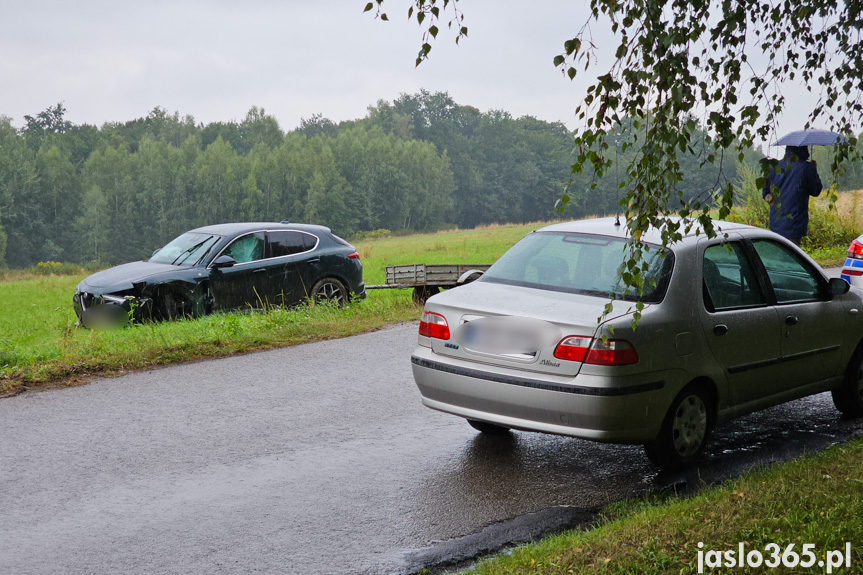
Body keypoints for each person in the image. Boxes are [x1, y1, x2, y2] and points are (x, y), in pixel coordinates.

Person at [762, 145, 823, 245]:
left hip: (775, 223)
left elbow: (766, 192)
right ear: (802, 150)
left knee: (779, 253)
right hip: (795, 224)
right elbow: (815, 191)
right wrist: (813, 171)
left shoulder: (773, 168)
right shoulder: (806, 167)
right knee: (792, 256)